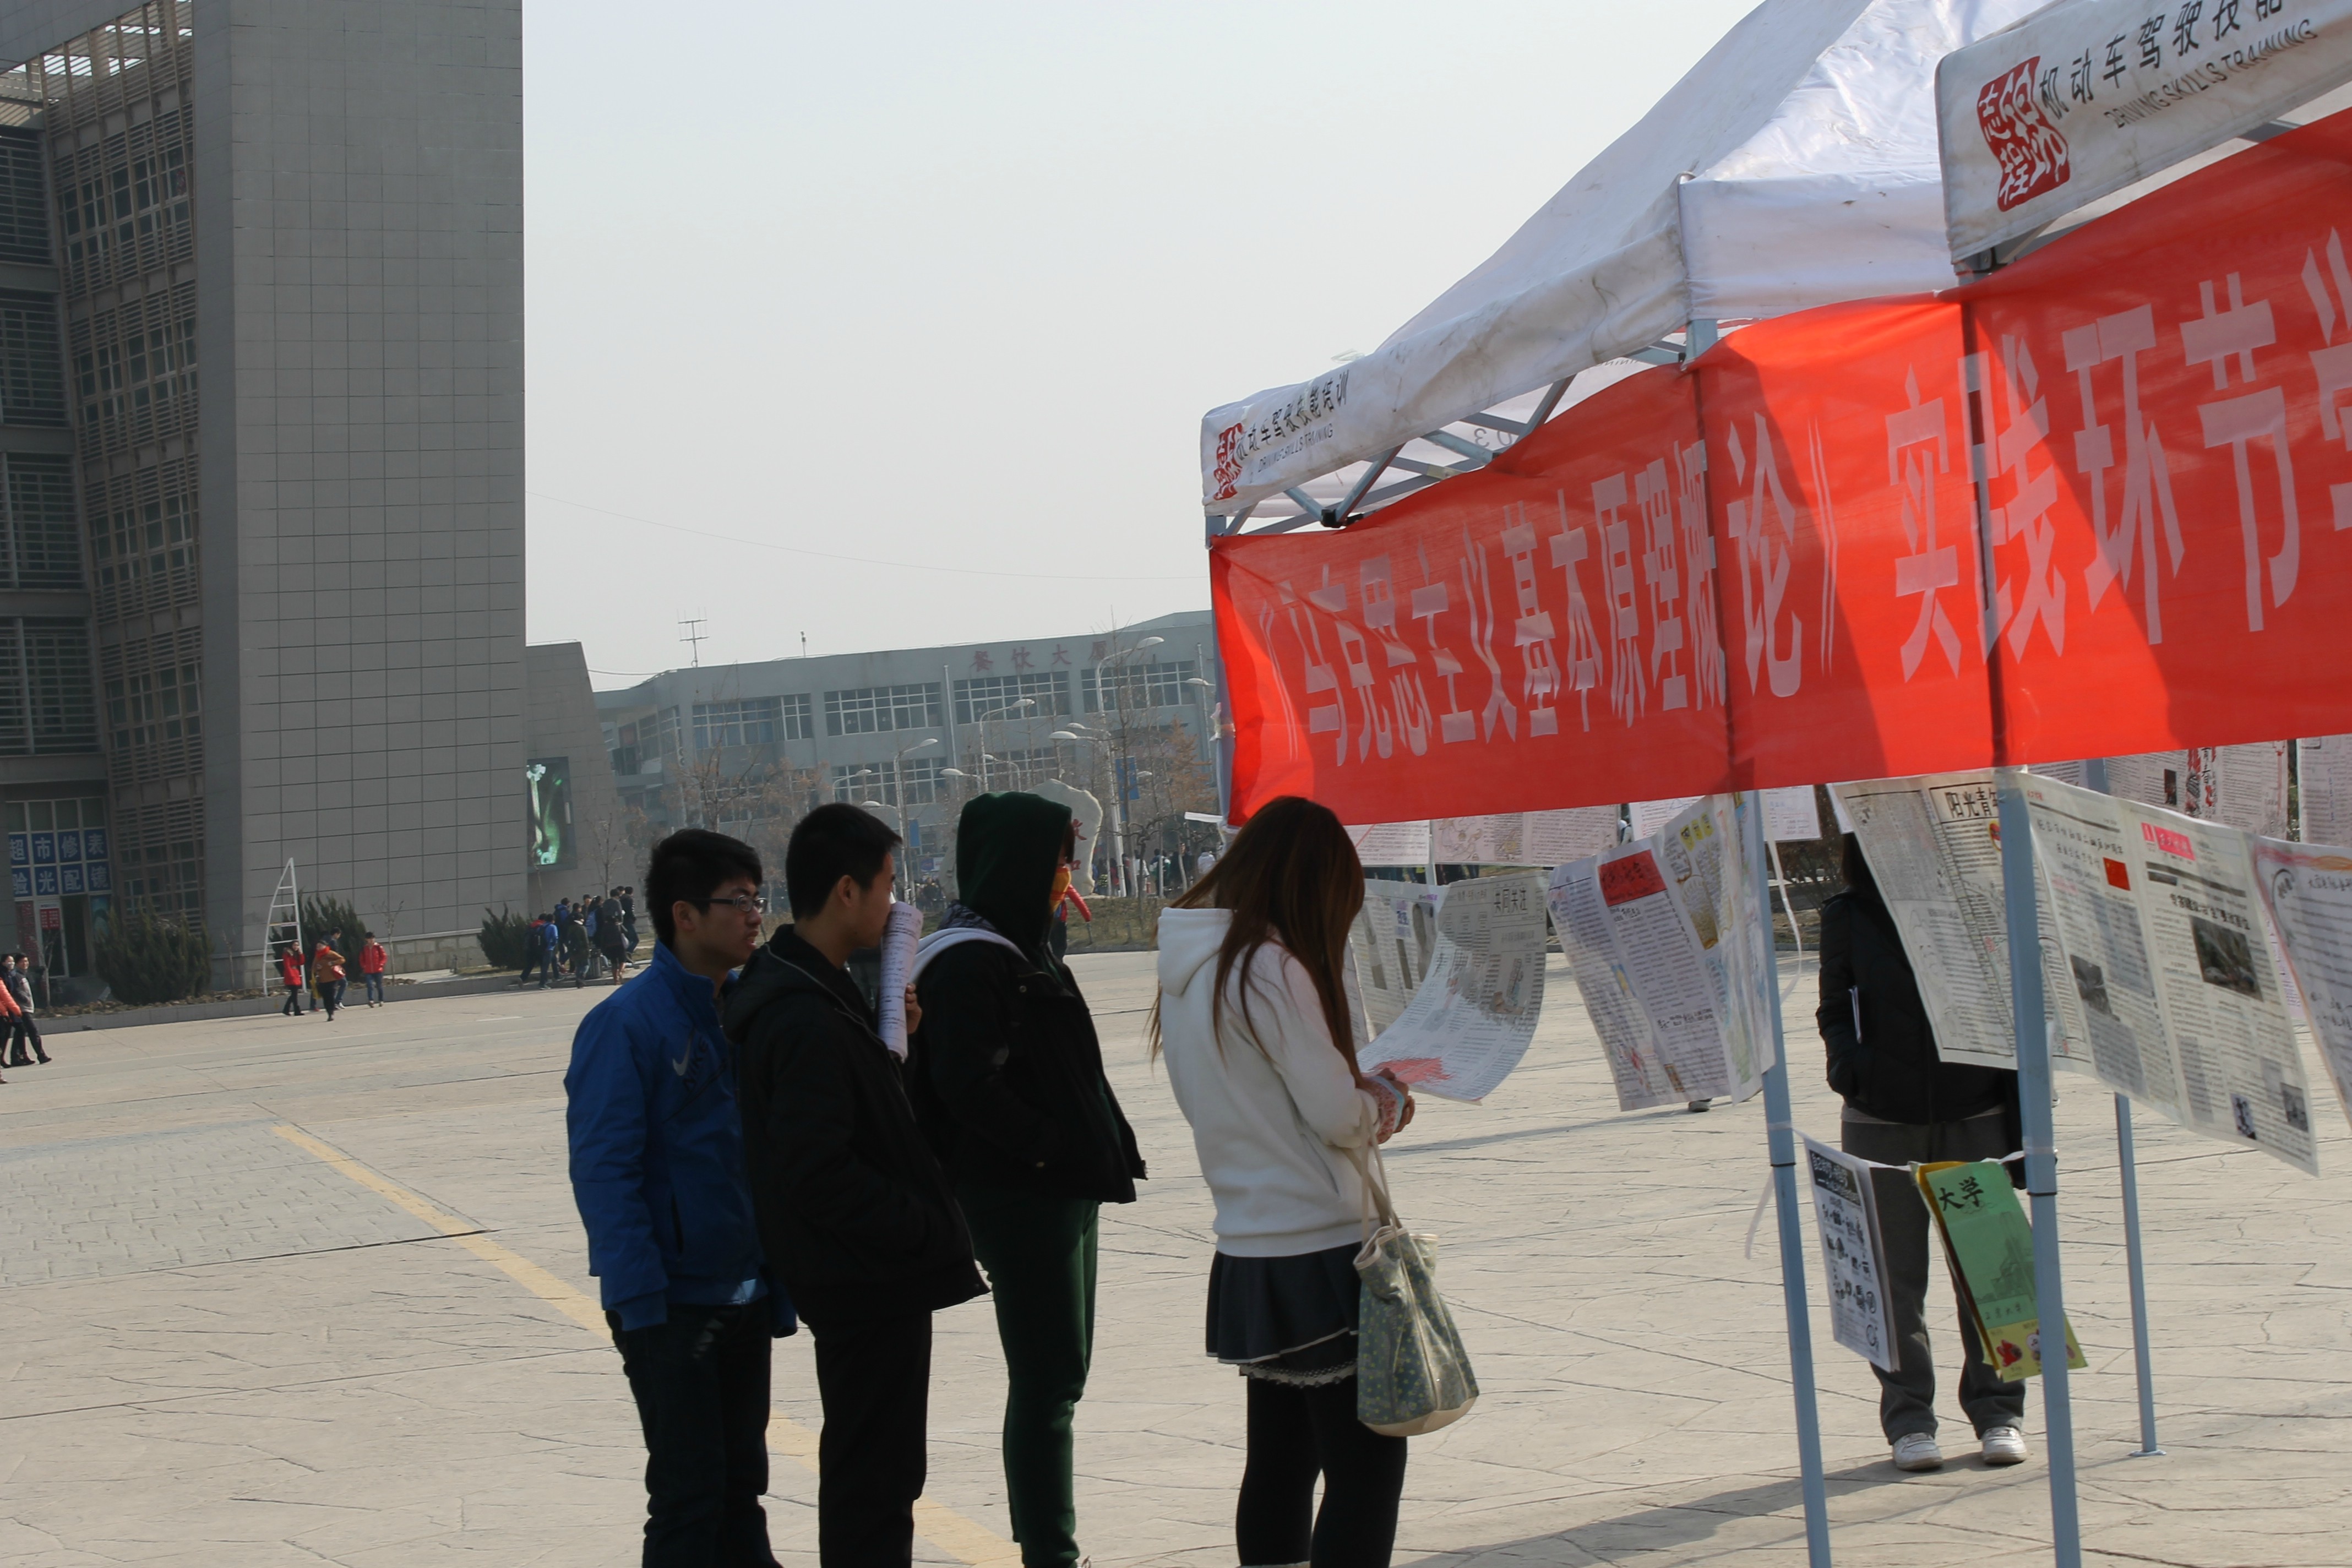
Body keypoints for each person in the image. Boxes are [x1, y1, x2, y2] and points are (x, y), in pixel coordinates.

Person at [1151, 795, 1418, 1568]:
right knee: (1367, 1464)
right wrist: (1385, 1100)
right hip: (1320, 1249)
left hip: (1249, 1246)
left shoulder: (1192, 965)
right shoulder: (1268, 964)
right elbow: (1335, 1115)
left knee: (1280, 1462)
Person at [724, 803, 986, 1568]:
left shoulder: (821, 993)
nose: (893, 904)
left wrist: (895, 1047)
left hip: (866, 1275)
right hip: (866, 1278)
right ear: (846, 891)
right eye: (887, 885)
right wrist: (921, 1226)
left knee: (879, 1472)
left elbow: (860, 1121)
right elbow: (819, 1170)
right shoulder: (802, 1016)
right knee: (874, 1479)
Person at [908, 794, 1145, 1568]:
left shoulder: (1021, 946)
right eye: (1055, 861)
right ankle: (1050, 1552)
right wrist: (1049, 1148)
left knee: (1062, 1375)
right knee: (1047, 1379)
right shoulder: (966, 961)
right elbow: (967, 1085)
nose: (1065, 876)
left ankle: (1050, 1542)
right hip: (1023, 1197)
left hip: (1065, 1190)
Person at [567, 828, 788, 1566]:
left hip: (744, 1290)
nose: (755, 915)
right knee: (690, 1497)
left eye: (758, 898)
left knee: (741, 1488)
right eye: (738, 900)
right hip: (671, 1303)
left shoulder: (750, 1010)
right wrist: (641, 1303)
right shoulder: (625, 1024)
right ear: (685, 915)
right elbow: (605, 1170)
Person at [1818, 831, 2029, 1473]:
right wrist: (1854, 1072)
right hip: (1881, 1122)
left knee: (1991, 1271)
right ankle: (1909, 1420)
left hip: (1976, 1112)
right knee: (1892, 1281)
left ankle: (2000, 1411)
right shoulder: (1848, 914)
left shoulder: (1978, 900)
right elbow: (1834, 1008)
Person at [6, 954, 46, 1064]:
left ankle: (17, 1057)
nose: (25, 964)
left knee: (20, 1032)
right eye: (23, 962)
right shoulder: (15, 975)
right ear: (17, 963)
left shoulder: (21, 975)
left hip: (25, 1008)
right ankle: (41, 1056)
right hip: (22, 1009)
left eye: (27, 961)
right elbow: (15, 990)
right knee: (33, 1031)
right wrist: (25, 999)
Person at [598, 890, 633, 982]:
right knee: (623, 960)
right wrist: (620, 922)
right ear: (617, 895)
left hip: (609, 945)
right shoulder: (617, 903)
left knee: (614, 962)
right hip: (619, 943)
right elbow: (620, 916)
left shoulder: (605, 904)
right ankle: (620, 972)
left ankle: (615, 979)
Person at [312, 934, 347, 1021]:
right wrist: (318, 968)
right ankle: (329, 1012)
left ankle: (332, 1013)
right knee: (325, 997)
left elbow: (342, 959)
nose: (318, 948)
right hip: (322, 980)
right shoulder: (317, 956)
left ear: (325, 946)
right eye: (317, 947)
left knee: (331, 996)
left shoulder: (330, 953)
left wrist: (333, 963)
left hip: (332, 979)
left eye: (320, 946)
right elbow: (313, 968)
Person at [358, 933, 389, 1007]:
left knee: (379, 985)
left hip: (378, 970)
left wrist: (381, 964)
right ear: (367, 940)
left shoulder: (378, 947)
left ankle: (381, 1000)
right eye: (370, 939)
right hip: (368, 971)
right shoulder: (364, 949)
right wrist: (364, 966)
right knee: (370, 985)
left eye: (373, 939)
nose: (371, 940)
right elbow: (362, 959)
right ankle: (371, 1000)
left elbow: (384, 957)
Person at [280, 943, 307, 1016]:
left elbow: (301, 963)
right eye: (295, 945)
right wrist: (291, 975)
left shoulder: (296, 954)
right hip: (290, 973)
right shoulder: (287, 953)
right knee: (294, 993)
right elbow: (287, 965)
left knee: (294, 994)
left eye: (297, 945)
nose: (296, 947)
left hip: (296, 972)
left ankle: (287, 1009)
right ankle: (296, 1010)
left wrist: (301, 954)